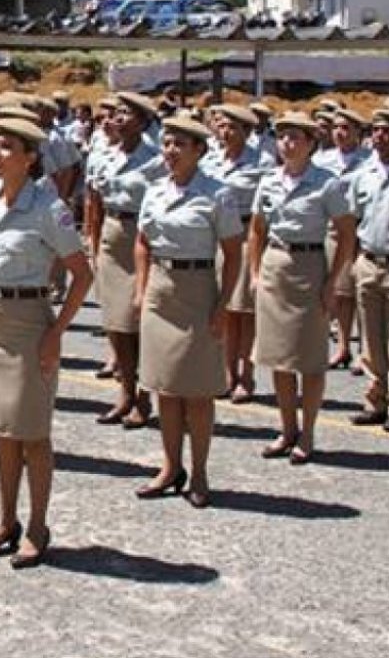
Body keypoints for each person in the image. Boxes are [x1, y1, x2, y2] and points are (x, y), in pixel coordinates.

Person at [0, 115, 91, 568]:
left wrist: (56, 333)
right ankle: (5, 520)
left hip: (30, 322)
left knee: (33, 434)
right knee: (1, 432)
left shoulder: (48, 207)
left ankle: (38, 525)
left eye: (5, 147)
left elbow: (82, 273)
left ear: (30, 158)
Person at [134, 114, 243, 509]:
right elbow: (143, 241)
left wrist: (223, 303)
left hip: (198, 292)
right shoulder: (154, 190)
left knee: (196, 392)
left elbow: (233, 252)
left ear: (199, 150)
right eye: (166, 144)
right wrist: (142, 290)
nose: (170, 152)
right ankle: (170, 466)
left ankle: (198, 471)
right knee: (164, 387)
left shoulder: (218, 194)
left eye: (180, 145)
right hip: (162, 292)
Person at [250, 111, 355, 464]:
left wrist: (332, 282)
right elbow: (257, 230)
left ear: (311, 144)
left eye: (296, 137)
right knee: (279, 358)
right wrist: (254, 275)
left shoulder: (327, 183)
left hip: (310, 268)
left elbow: (346, 233)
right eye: (282, 137)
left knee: (310, 360)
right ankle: (287, 428)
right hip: (276, 265)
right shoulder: (269, 181)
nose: (288, 144)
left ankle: (308, 432)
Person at [86, 91, 166, 427]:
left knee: (139, 324)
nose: (117, 118)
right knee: (116, 324)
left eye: (127, 114)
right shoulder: (105, 154)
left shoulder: (155, 160)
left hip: (140, 237)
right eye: (116, 112)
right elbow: (94, 200)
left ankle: (144, 398)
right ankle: (125, 393)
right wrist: (92, 240)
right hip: (112, 235)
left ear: (144, 121)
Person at [202, 104, 274, 403]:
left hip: (246, 237)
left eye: (234, 128)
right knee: (224, 310)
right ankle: (226, 371)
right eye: (223, 126)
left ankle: (246, 373)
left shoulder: (263, 161)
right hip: (215, 238)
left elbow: (267, 209)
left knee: (244, 312)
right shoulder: (210, 159)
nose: (226, 132)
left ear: (247, 131)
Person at [313, 108, 371, 371]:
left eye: (346, 128)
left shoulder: (368, 160)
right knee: (339, 291)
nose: (339, 132)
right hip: (332, 231)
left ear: (359, 133)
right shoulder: (322, 160)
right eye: (336, 127)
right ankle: (343, 346)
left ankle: (365, 350)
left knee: (361, 293)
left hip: (361, 231)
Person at [349, 108, 389, 432]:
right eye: (376, 130)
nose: (380, 136)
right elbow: (352, 221)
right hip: (368, 262)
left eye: (387, 131)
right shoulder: (364, 173)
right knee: (370, 339)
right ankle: (375, 399)